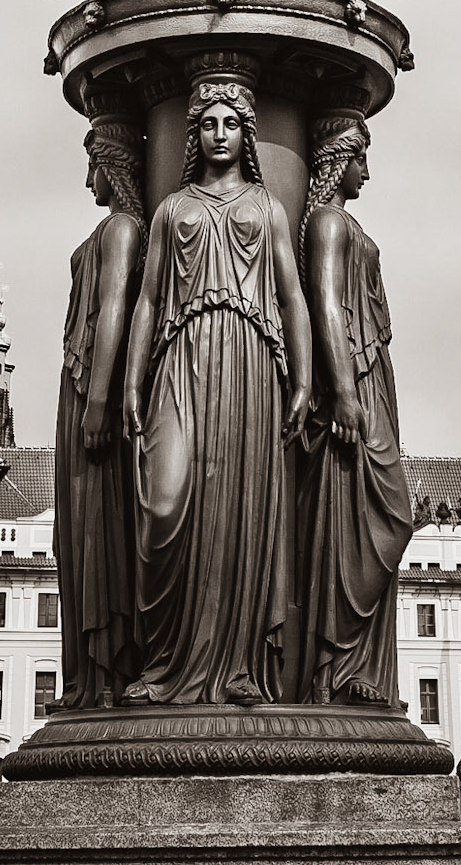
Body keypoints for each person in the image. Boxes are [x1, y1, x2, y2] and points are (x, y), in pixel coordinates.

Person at [121, 80, 311, 705]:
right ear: (194, 135)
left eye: (232, 122)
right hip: (179, 359)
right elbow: (148, 298)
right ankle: (166, 662)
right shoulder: (173, 210)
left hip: (251, 365)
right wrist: (131, 378)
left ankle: (236, 667)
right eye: (207, 124)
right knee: (165, 504)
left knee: (240, 511)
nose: (220, 133)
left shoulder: (266, 208)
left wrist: (304, 377)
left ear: (247, 134)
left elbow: (291, 296)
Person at [295, 111, 413, 705]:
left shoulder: (346, 224)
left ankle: (361, 670)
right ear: (340, 160)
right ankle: (334, 667)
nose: (367, 168)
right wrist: (341, 388)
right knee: (373, 519)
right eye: (361, 155)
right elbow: (325, 302)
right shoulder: (327, 223)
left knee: (382, 518)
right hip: (352, 388)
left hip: (372, 380)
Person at [54, 116, 146, 709]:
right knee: (76, 537)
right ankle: (87, 679)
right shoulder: (107, 230)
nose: (89, 178)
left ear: (111, 167)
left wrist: (100, 400)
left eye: (95, 164)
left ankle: (105, 674)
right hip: (78, 383)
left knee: (98, 533)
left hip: (95, 391)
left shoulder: (122, 230)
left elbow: (115, 307)